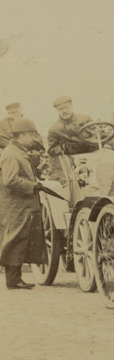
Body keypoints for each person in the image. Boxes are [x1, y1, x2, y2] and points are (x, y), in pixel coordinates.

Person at [0, 120, 48, 289]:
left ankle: (15, 279)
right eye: (29, 134)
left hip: (20, 205)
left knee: (19, 239)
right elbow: (9, 180)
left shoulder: (16, 151)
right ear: (20, 136)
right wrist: (32, 186)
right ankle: (13, 281)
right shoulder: (12, 154)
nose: (32, 137)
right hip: (16, 206)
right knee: (15, 239)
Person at [46, 96, 98, 182]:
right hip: (73, 160)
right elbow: (52, 150)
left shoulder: (85, 119)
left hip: (92, 154)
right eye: (60, 109)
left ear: (72, 106)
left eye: (66, 107)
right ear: (57, 111)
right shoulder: (54, 129)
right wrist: (65, 147)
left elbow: (96, 135)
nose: (64, 111)